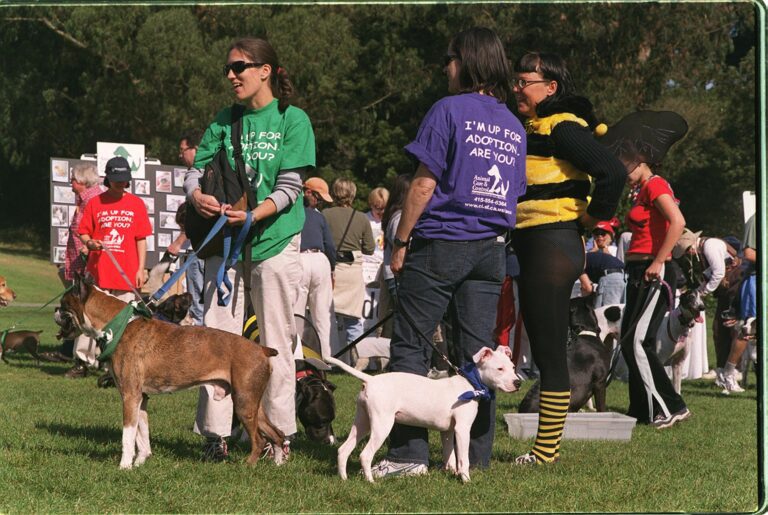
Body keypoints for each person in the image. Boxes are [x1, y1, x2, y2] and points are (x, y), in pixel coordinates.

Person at [371, 27, 527, 478]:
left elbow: (423, 183)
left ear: (469, 61)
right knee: (482, 360)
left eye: (451, 57)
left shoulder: (448, 110)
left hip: (441, 243)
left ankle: (406, 458)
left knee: (412, 347)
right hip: (490, 251)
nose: (445, 66)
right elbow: (512, 193)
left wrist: (400, 242)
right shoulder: (515, 126)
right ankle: (471, 457)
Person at [184, 37, 315, 462]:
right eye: (229, 68)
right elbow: (196, 172)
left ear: (266, 70)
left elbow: (292, 188)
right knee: (215, 341)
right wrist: (195, 196)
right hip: (226, 244)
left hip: (274, 242)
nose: (231, 75)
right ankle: (215, 437)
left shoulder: (293, 120)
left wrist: (255, 215)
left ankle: (279, 438)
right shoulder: (225, 119)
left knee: (275, 340)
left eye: (239, 66)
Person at [510, 51, 625, 464]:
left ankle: (545, 452)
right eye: (516, 81)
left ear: (550, 87)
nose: (517, 88)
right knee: (543, 347)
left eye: (525, 81)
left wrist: (593, 217)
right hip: (537, 242)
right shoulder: (535, 126)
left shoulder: (562, 126)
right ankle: (546, 449)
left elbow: (612, 172)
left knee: (547, 351)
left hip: (552, 241)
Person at [601, 110, 692, 428]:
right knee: (629, 341)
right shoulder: (638, 191)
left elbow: (677, 222)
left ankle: (673, 406)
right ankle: (641, 409)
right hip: (638, 271)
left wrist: (658, 261)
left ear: (640, 158)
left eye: (624, 162)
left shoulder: (655, 184)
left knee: (640, 341)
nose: (622, 169)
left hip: (655, 271)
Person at [75, 157, 152, 374]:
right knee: (89, 316)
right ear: (107, 177)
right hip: (98, 272)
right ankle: (84, 361)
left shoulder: (136, 204)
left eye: (124, 179)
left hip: (125, 273)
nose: (120, 183)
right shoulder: (95, 203)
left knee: (123, 322)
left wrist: (140, 268)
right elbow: (83, 232)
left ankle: (116, 367)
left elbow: (141, 238)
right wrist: (89, 243)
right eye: (116, 179)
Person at [41, 163, 104, 368]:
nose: (70, 182)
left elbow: (98, 229)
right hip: (77, 263)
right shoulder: (83, 199)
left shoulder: (94, 199)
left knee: (83, 308)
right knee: (72, 306)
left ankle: (85, 359)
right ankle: (69, 351)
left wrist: (88, 249)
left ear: (84, 182)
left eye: (74, 179)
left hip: (88, 264)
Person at [322, 178, 375, 356]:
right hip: (352, 270)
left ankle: (331, 357)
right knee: (353, 320)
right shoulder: (361, 218)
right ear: (353, 194)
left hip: (331, 270)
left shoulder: (324, 214)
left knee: (328, 318)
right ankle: (358, 359)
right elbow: (369, 249)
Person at [294, 177, 337, 358]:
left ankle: (295, 355)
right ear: (308, 192)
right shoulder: (319, 217)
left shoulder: (292, 213)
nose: (319, 203)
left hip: (299, 259)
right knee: (323, 314)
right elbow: (330, 246)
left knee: (296, 312)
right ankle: (329, 356)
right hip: (319, 260)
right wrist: (332, 268)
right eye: (318, 198)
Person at [166, 130, 205, 326]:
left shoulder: (204, 175)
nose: (180, 155)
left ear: (195, 149)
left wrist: (178, 242)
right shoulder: (195, 176)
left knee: (198, 305)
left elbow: (196, 217)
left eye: (183, 150)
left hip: (204, 250)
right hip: (203, 249)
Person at [720, 213, 756, 394]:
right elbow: (749, 253)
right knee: (747, 329)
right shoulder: (756, 219)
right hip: (756, 281)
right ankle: (729, 373)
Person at [378, 174, 411, 338]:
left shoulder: (395, 216)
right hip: (398, 276)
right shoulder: (399, 218)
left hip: (395, 275)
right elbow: (402, 245)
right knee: (406, 322)